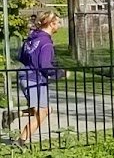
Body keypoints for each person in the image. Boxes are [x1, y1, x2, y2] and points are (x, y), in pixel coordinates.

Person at [4, 12, 67, 147]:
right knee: (42, 113)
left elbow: (21, 57)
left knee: (46, 109)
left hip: (25, 76)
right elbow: (45, 66)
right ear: (51, 24)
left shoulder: (31, 38)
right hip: (35, 80)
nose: (59, 25)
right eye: (58, 23)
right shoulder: (46, 42)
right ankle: (20, 141)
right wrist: (60, 73)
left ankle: (13, 115)